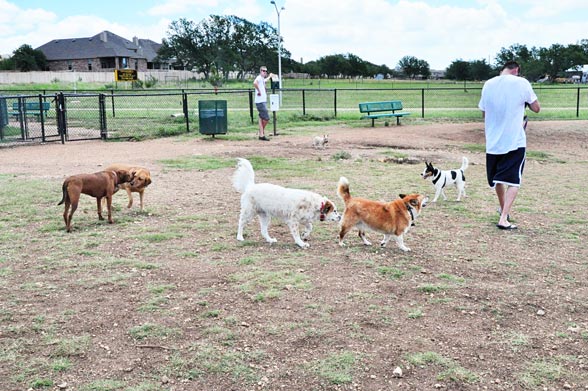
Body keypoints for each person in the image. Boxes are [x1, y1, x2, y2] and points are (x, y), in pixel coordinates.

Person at [478, 61, 540, 230]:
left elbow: (484, 113)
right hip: (514, 141)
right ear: (516, 70)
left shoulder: (488, 84)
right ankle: (504, 218)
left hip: (493, 142)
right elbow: (536, 108)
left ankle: (502, 209)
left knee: (498, 178)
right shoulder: (522, 82)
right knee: (514, 180)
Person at [253, 66, 275, 141]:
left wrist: (270, 76)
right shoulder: (259, 78)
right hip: (260, 101)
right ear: (260, 71)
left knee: (261, 117)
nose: (264, 72)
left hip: (262, 101)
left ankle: (261, 134)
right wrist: (259, 91)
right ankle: (261, 132)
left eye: (266, 71)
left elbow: (265, 81)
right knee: (266, 118)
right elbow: (255, 83)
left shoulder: (262, 79)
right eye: (263, 71)